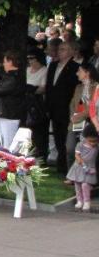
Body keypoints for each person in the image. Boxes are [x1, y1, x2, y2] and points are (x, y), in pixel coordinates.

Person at [43, 42, 80, 173]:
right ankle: (61, 163)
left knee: (66, 136)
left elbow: (73, 89)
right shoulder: (53, 65)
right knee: (57, 135)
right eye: (59, 49)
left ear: (71, 52)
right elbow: (48, 87)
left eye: (64, 49)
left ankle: (66, 165)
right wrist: (47, 105)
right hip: (53, 106)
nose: (60, 51)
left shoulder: (75, 67)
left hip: (66, 107)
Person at [67, 123, 98, 212]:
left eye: (95, 141)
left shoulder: (96, 146)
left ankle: (87, 201)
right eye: (90, 141)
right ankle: (79, 200)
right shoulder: (80, 145)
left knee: (85, 185)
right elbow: (77, 155)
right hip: (79, 167)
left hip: (90, 168)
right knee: (77, 185)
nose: (93, 143)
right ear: (85, 138)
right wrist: (82, 164)